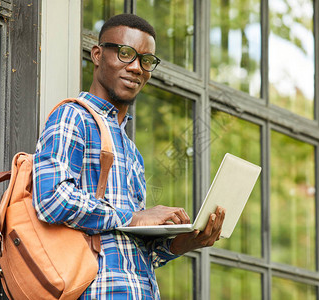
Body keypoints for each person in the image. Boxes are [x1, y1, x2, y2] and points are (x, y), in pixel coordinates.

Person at [32, 13, 225, 299]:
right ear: (97, 55)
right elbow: (51, 199)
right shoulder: (73, 116)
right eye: (125, 54)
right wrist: (134, 217)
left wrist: (183, 242)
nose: (136, 67)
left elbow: (130, 249)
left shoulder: (131, 150)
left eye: (146, 61)